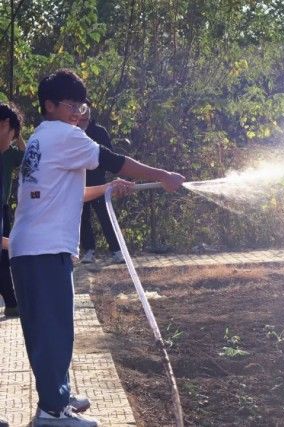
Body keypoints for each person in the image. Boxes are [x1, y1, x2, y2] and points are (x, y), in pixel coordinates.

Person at [9, 69, 185, 427]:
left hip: (30, 248)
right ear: (50, 105)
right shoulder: (64, 135)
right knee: (53, 330)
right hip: (45, 250)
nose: (77, 112)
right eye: (70, 104)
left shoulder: (42, 138)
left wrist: (106, 189)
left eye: (80, 104)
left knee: (47, 327)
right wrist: (162, 175)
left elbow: (69, 192)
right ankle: (53, 411)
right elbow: (112, 159)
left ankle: (57, 393)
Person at [77, 107, 124, 264]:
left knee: (106, 217)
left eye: (85, 117)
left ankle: (116, 250)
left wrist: (98, 170)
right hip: (79, 183)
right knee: (83, 219)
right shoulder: (73, 132)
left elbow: (109, 155)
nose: (83, 120)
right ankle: (89, 250)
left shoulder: (99, 132)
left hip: (98, 181)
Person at [0, 102, 24, 318]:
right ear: (5, 125)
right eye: (13, 133)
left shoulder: (9, 153)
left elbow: (30, 160)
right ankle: (12, 302)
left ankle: (12, 302)